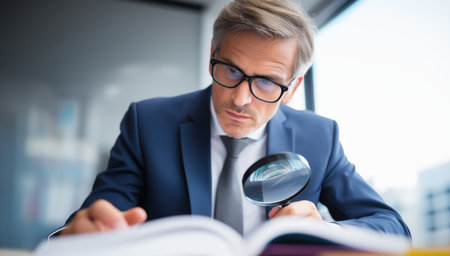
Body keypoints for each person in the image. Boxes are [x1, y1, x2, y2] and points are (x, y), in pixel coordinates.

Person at [55, 0, 411, 238]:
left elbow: (393, 227)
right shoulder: (147, 122)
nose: (240, 99)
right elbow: (89, 223)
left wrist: (327, 230)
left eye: (267, 82)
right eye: (229, 70)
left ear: (292, 87)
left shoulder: (320, 137)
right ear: (213, 54)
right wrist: (82, 233)